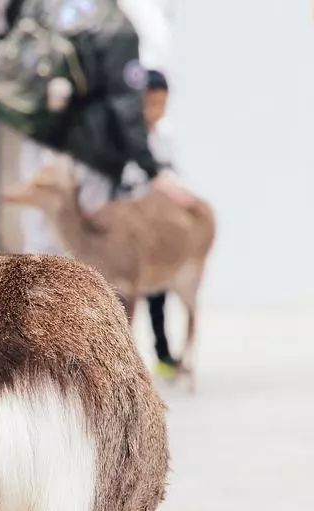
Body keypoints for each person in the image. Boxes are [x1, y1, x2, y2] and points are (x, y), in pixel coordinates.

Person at [0, 0, 191, 255]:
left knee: (39, 238)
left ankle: (36, 293)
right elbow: (127, 105)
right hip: (89, 154)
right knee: (87, 246)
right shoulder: (118, 28)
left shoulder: (48, 6)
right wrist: (152, 169)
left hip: (39, 132)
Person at [123, 68, 182, 375]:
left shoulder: (165, 136)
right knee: (125, 293)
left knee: (158, 290)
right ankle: (123, 359)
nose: (157, 111)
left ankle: (162, 353)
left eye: (162, 103)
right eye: (152, 103)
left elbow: (171, 173)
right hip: (129, 224)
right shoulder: (125, 135)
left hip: (155, 224)